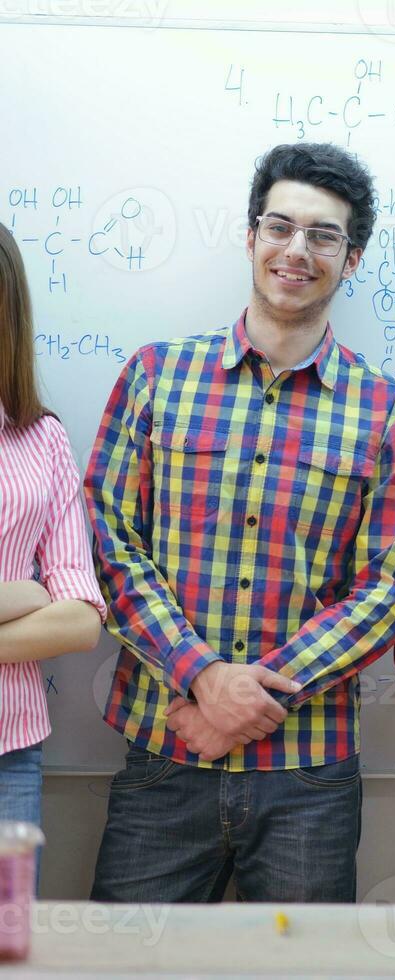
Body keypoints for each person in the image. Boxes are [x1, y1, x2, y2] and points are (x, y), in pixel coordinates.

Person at [85, 143, 395, 902]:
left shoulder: (387, 413)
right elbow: (110, 543)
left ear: (352, 258)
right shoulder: (155, 376)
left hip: (309, 777)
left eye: (323, 235)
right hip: (164, 751)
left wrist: (249, 706)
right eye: (280, 227)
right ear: (250, 238)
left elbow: (387, 590)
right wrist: (203, 678)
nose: (296, 250)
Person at [0, 222, 106, 851]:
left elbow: (79, 622)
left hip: (10, 753)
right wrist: (25, 593)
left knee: (10, 949)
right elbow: (49, 600)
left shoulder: (41, 439)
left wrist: (48, 597)